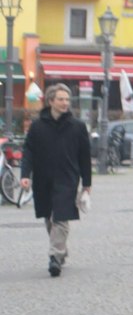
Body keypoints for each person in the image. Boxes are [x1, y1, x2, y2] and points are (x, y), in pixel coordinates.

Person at [21, 84, 92, 278]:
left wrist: (87, 183)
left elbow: (85, 156)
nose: (65, 103)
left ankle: (54, 256)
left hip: (68, 178)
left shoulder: (77, 126)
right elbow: (28, 151)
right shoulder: (37, 126)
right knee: (48, 217)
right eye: (61, 99)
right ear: (51, 101)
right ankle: (61, 250)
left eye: (67, 99)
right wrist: (25, 175)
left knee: (61, 216)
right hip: (43, 178)